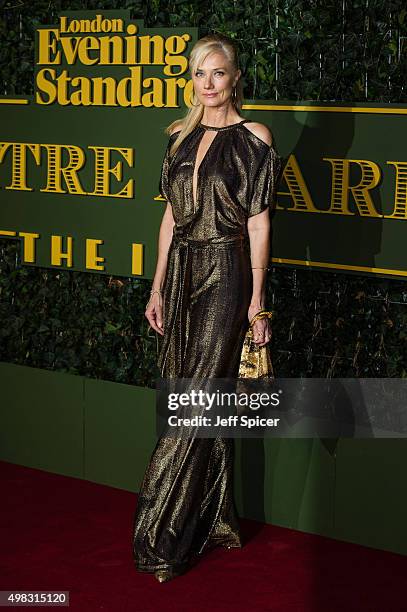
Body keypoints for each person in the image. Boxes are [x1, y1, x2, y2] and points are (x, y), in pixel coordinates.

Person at [132, 32, 282, 583]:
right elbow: (171, 219)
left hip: (226, 272)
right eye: (200, 74)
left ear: (235, 77)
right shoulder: (178, 136)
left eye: (218, 73)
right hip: (182, 275)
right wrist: (156, 288)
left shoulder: (255, 136)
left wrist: (257, 300)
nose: (209, 84)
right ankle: (213, 516)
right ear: (191, 80)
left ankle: (161, 530)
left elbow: (260, 222)